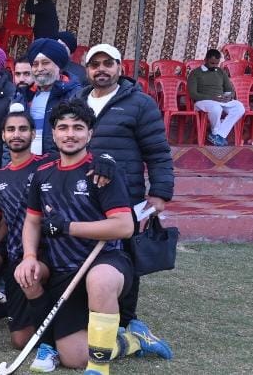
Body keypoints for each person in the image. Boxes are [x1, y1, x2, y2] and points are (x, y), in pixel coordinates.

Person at [17, 100, 172, 373]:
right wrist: (29, 256)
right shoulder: (42, 174)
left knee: (99, 280)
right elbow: (32, 220)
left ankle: (99, 368)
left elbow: (124, 227)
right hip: (64, 271)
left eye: (78, 128)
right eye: (63, 127)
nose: (70, 134)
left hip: (105, 260)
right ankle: (132, 339)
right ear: (53, 133)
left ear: (90, 134)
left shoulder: (101, 172)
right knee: (74, 358)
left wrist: (68, 227)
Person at [77, 43, 174, 348]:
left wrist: (159, 193)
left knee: (127, 257)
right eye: (95, 65)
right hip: (82, 197)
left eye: (108, 64)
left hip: (126, 196)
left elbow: (157, 152)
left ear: (120, 67)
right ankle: (90, 313)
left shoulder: (140, 103)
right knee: (83, 255)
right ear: (87, 69)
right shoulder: (77, 100)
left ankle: (126, 323)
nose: (101, 70)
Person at [0, 108, 50, 356]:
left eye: (22, 129)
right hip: (16, 257)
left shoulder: (48, 164)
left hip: (50, 254)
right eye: (11, 129)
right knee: (20, 341)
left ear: (33, 134)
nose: (16, 134)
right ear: (3, 135)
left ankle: (52, 336)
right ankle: (9, 311)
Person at [24, 38, 79, 155]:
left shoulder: (75, 95)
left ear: (58, 66)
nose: (39, 69)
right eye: (35, 64)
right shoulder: (25, 95)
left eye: (45, 63)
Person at [189, 48, 245, 146]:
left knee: (239, 107)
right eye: (212, 63)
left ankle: (218, 135)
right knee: (216, 108)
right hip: (203, 101)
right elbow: (193, 94)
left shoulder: (220, 72)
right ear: (205, 60)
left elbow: (229, 89)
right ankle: (215, 133)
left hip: (220, 99)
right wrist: (212, 98)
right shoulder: (195, 73)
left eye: (217, 64)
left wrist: (229, 97)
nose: (214, 66)